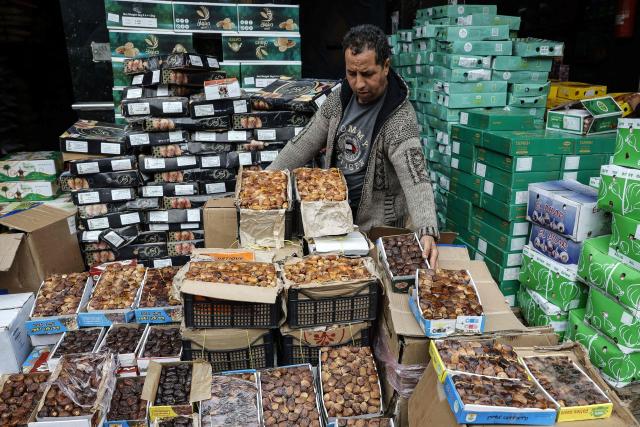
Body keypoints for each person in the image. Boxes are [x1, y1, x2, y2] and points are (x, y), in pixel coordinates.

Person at [250, 24, 440, 266]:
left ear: (385, 66)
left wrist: (427, 229)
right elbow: (303, 143)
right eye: (352, 73)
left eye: (368, 74)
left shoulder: (400, 118)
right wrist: (264, 181)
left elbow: (416, 176)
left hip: (375, 228)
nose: (359, 84)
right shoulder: (338, 100)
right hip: (331, 219)